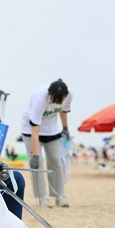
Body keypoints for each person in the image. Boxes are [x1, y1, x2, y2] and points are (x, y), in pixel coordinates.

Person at [21, 79, 72, 208]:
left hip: (52, 129)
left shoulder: (69, 95)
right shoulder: (40, 98)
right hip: (31, 130)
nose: (58, 103)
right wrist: (36, 155)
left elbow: (64, 111)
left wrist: (65, 128)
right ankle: (42, 197)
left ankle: (59, 195)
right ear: (50, 95)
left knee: (56, 161)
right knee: (37, 164)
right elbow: (35, 130)